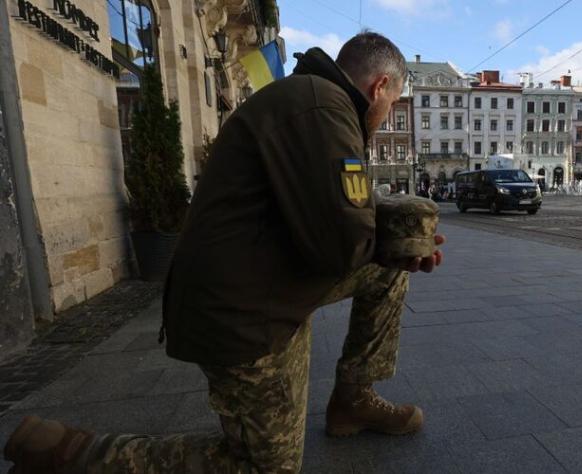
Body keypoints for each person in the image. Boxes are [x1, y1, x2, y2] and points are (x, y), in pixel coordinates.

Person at [4, 32, 445, 474]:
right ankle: (70, 454)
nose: (386, 115)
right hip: (240, 312)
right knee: (263, 467)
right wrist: (390, 245)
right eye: (391, 103)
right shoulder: (325, 109)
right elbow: (340, 248)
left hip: (259, 285)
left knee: (389, 272)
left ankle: (352, 399)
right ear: (380, 87)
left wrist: (398, 243)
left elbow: (333, 212)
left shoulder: (313, 100)